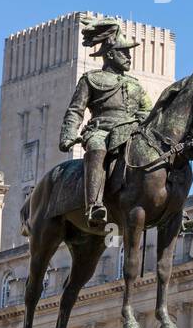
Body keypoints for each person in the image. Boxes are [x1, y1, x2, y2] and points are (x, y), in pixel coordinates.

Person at [58, 19, 153, 225]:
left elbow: (147, 110)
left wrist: (144, 120)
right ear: (110, 55)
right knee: (97, 147)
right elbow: (76, 110)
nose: (129, 57)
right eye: (124, 53)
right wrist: (68, 134)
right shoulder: (91, 79)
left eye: (129, 53)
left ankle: (172, 209)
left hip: (132, 131)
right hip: (102, 130)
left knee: (157, 153)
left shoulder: (135, 85)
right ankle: (94, 205)